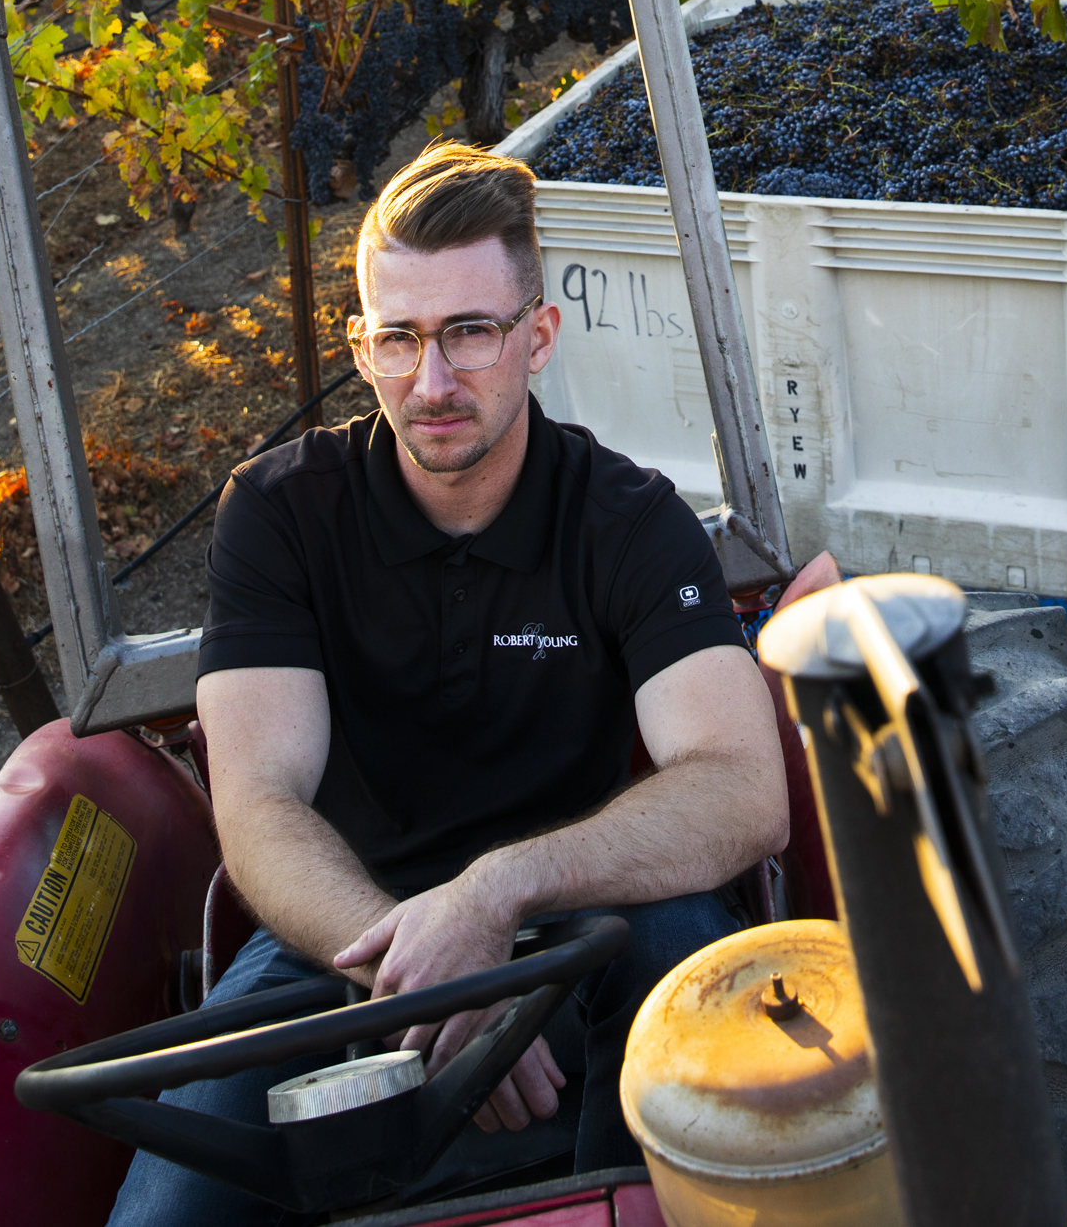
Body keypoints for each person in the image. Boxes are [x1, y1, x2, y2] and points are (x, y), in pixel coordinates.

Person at [109, 139, 790, 1227]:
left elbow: (743, 787)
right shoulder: (281, 513)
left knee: (700, 1033)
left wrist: (494, 895)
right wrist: (421, 976)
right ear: (362, 347)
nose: (432, 381)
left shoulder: (627, 519)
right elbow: (261, 803)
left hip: (592, 915)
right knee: (173, 1205)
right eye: (400, 339)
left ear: (538, 337)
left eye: (470, 332)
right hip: (345, 934)